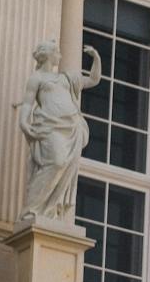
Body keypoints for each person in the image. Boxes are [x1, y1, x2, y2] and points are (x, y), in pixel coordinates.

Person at [16, 40, 103, 223]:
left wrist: (96, 58)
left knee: (62, 166)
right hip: (49, 126)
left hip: (71, 127)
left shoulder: (66, 78)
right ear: (48, 54)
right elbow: (27, 103)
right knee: (57, 161)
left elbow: (94, 80)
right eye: (57, 52)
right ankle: (31, 209)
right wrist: (24, 123)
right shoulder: (37, 78)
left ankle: (47, 211)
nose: (60, 56)